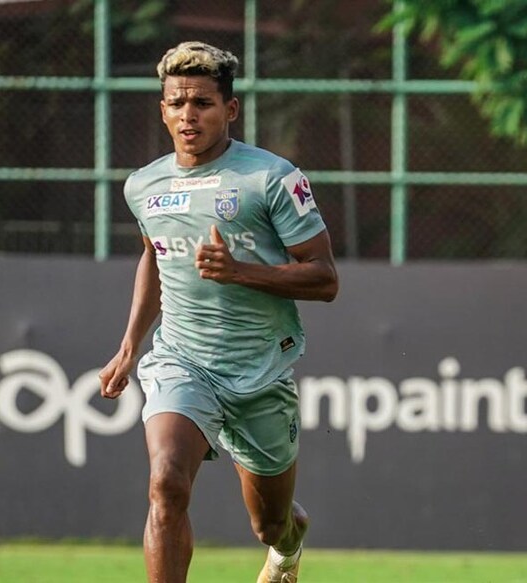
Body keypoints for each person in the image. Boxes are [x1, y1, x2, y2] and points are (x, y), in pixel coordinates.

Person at [98, 41, 338, 583]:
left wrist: (240, 271)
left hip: (260, 372)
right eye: (177, 103)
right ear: (162, 109)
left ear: (229, 110)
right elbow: (154, 257)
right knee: (166, 483)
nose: (188, 115)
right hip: (182, 361)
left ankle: (288, 548)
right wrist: (130, 344)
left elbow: (325, 278)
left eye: (202, 103)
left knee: (271, 524)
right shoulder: (144, 185)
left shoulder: (272, 178)